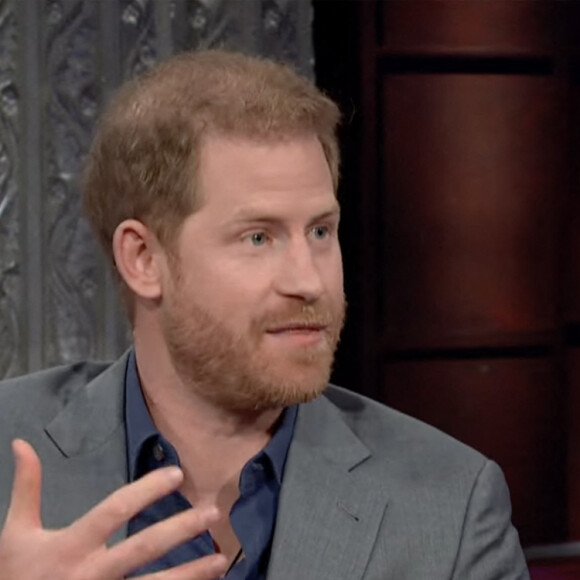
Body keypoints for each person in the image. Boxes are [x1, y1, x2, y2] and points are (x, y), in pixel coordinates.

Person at [0, 49, 528, 579]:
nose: (309, 281)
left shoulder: (450, 505)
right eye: (259, 237)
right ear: (144, 259)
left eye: (321, 231)